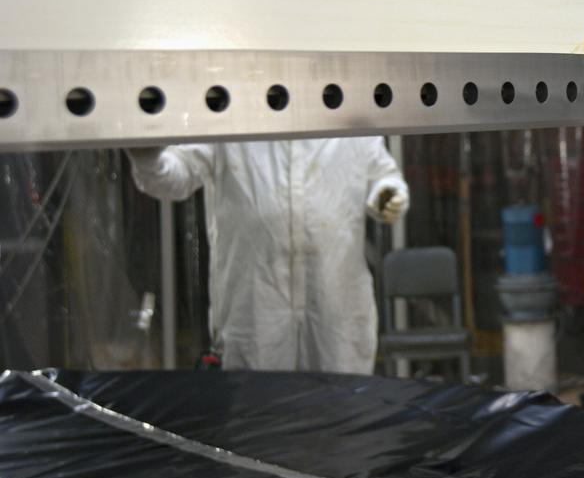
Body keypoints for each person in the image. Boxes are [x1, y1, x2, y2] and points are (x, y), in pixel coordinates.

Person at [129, 137, 409, 374]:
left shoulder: (346, 122)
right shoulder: (231, 115)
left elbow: (383, 173)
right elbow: (176, 176)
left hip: (336, 305)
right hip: (256, 305)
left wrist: (387, 193)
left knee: (341, 413)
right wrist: (147, 156)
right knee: (257, 416)